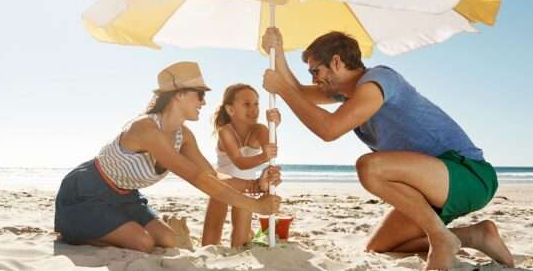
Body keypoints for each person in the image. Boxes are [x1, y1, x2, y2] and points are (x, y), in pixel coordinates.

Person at [261, 28, 513, 270]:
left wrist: (282, 89)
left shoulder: (377, 82)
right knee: (379, 247)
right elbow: (302, 95)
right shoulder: (348, 94)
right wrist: (278, 53)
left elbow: (330, 129)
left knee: (370, 167)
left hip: (468, 175)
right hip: (430, 188)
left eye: (316, 71)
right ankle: (475, 235)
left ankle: (440, 237)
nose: (314, 79)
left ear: (336, 62)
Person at [55, 61, 281, 252]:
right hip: (88, 191)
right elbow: (199, 180)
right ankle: (74, 230)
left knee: (168, 240)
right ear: (179, 95)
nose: (204, 102)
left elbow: (211, 175)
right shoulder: (147, 129)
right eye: (200, 95)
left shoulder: (184, 136)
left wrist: (255, 185)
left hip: (126, 197)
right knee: (142, 242)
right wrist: (257, 206)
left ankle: (113, 227)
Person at [201, 83, 281, 247]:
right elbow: (240, 162)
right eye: (246, 104)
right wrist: (263, 156)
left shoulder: (260, 130)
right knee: (210, 238)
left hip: (246, 189)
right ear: (231, 110)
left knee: (239, 241)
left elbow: (271, 150)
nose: (254, 109)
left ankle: (247, 236)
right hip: (223, 185)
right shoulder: (225, 131)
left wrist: (274, 127)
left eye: (256, 104)